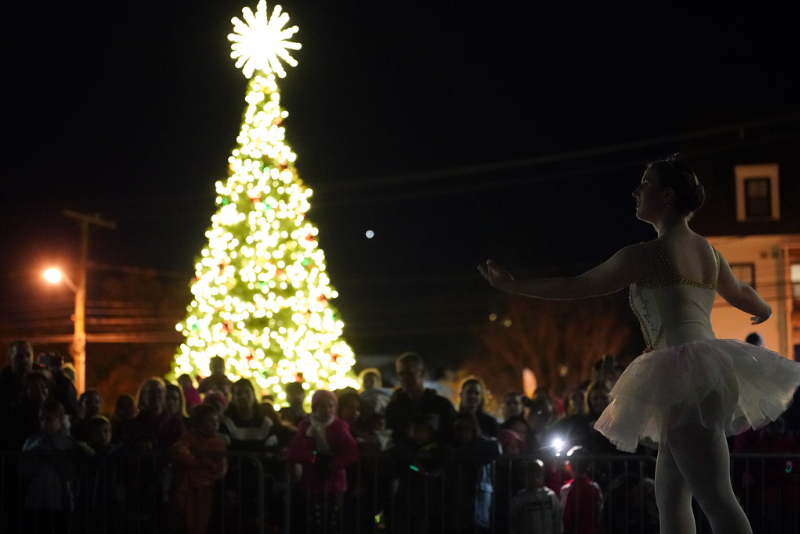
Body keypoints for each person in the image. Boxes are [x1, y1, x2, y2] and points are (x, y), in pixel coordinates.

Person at [480, 154, 800, 534]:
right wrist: (762, 308)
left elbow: (577, 286)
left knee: (716, 496)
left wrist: (514, 287)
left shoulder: (648, 255)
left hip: (684, 376)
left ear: (666, 195)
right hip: (704, 373)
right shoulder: (709, 254)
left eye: (645, 183)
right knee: (671, 496)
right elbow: (740, 291)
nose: (636, 190)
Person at [286, 389, 359, 534]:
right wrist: (315, 457)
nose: (327, 410)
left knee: (333, 522)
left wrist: (333, 465)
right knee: (314, 521)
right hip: (312, 482)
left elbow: (351, 451)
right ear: (315, 408)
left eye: (331, 406)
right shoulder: (306, 427)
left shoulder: (339, 427)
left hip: (334, 482)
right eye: (323, 406)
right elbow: (295, 451)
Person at [169, 404, 228, 534]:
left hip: (206, 488)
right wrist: (196, 462)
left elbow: (220, 469)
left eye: (216, 420)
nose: (215, 424)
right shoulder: (190, 438)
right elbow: (179, 450)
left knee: (201, 521)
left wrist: (209, 466)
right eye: (210, 421)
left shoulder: (217, 443)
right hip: (189, 487)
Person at [19, 400, 77, 528]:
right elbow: (24, 468)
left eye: (49, 419)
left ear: (60, 420)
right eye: (41, 419)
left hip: (60, 498)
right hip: (37, 497)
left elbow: (71, 471)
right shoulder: (33, 441)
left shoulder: (68, 443)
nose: (44, 423)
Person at [385, 352, 457, 446]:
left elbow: (453, 436)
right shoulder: (394, 408)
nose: (404, 378)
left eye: (409, 373)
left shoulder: (442, 406)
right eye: (401, 374)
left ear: (422, 373)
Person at [124, 377, 186, 450]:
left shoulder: (175, 424)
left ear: (165, 394)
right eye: (151, 392)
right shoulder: (134, 425)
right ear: (143, 396)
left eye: (159, 391)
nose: (155, 395)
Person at [509, 459, 561, 534]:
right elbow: (513, 524)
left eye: (538, 476)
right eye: (531, 476)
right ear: (525, 477)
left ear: (542, 477)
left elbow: (557, 520)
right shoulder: (519, 499)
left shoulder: (550, 496)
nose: (535, 479)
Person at [559, 446, 603, 534]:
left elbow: (564, 516)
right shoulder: (595, 487)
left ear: (570, 466)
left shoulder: (566, 490)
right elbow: (600, 513)